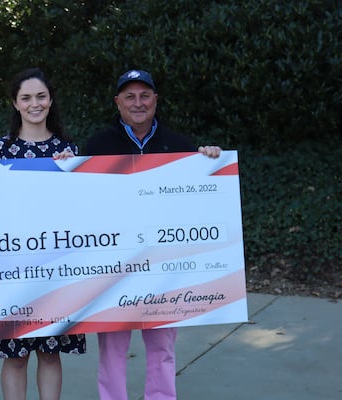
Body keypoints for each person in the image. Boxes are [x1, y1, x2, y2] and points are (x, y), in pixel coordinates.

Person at [85, 69, 221, 400]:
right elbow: (80, 204)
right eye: (129, 96)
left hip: (163, 270)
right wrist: (65, 165)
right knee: (112, 351)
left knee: (162, 348)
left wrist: (210, 164)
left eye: (145, 95)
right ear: (117, 102)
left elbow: (199, 201)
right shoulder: (98, 145)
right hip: (113, 270)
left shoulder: (179, 146)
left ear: (156, 100)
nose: (138, 103)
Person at [0, 67, 86, 400]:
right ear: (15, 103)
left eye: (40, 96)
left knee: (49, 352)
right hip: (10, 269)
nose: (34, 104)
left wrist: (72, 172)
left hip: (56, 271)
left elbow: (84, 214)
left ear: (50, 99)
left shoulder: (68, 151)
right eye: (26, 97)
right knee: (15, 356)